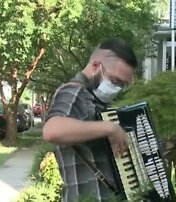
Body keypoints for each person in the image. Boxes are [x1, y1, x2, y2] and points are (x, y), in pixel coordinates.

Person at [43, 37, 138, 201]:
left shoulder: (95, 100)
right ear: (96, 66)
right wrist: (111, 128)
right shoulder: (74, 92)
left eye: (122, 84)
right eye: (115, 81)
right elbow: (52, 130)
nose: (116, 88)